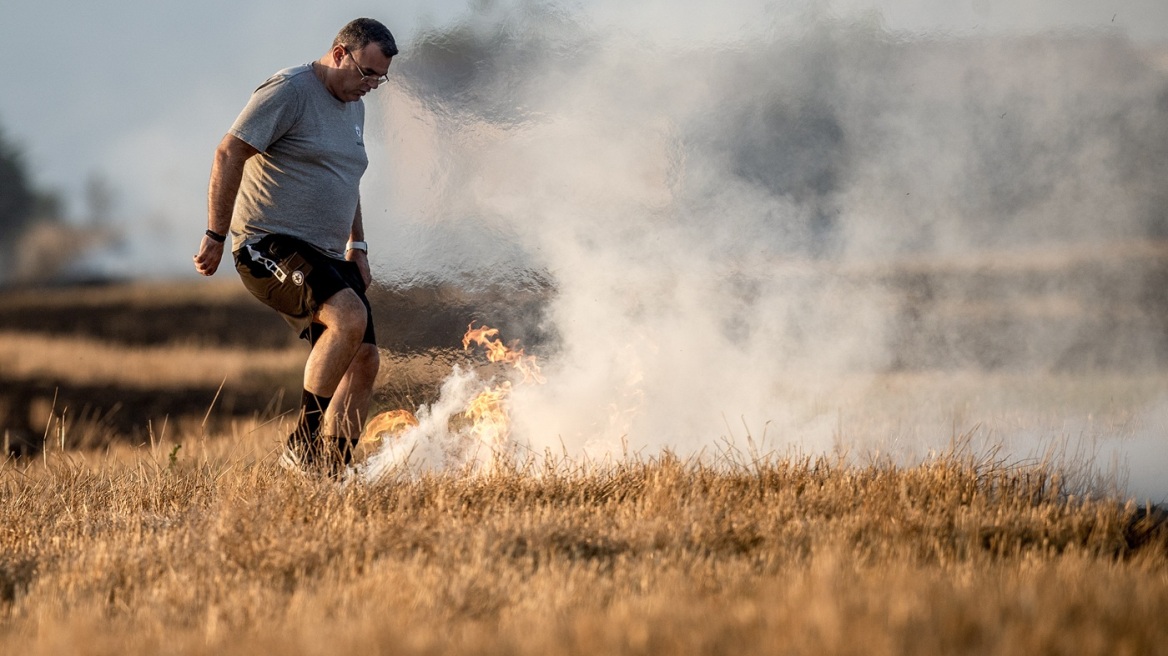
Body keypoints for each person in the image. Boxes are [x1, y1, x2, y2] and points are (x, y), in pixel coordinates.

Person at [193, 18, 397, 473]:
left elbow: (345, 179)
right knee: (349, 316)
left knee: (364, 358)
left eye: (380, 79)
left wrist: (357, 245)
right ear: (339, 52)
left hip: (325, 252)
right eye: (366, 73)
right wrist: (215, 234)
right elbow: (229, 152)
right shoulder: (289, 90)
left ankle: (330, 473)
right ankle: (302, 446)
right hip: (268, 243)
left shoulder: (353, 104)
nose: (370, 86)